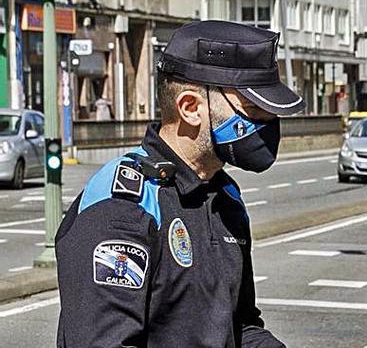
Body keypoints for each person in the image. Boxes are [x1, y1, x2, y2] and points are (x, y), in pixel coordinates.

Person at [55, 21, 305, 347]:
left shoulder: (226, 197)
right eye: (253, 110)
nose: (268, 125)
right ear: (190, 108)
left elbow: (239, 325)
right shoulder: (123, 206)